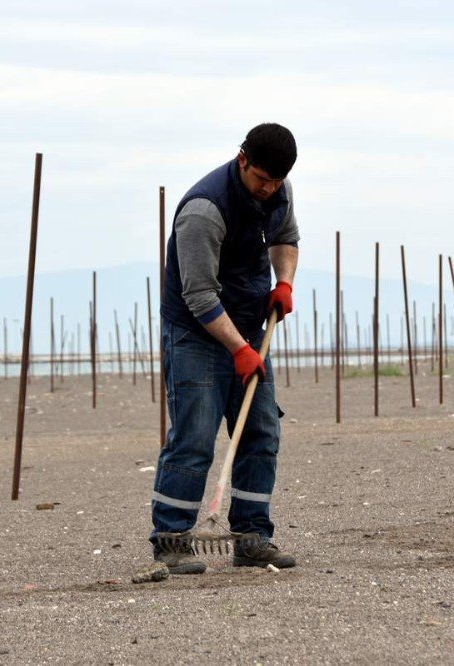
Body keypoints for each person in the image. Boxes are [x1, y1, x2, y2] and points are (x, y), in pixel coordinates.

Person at [151, 123, 300, 574]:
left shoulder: (278, 190)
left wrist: (284, 282)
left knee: (260, 433)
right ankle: (171, 540)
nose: (268, 189)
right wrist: (239, 349)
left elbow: (285, 239)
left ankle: (252, 536)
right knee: (194, 438)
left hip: (250, 326)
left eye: (275, 181)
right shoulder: (203, 211)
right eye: (261, 180)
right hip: (196, 332)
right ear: (242, 161)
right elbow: (198, 296)